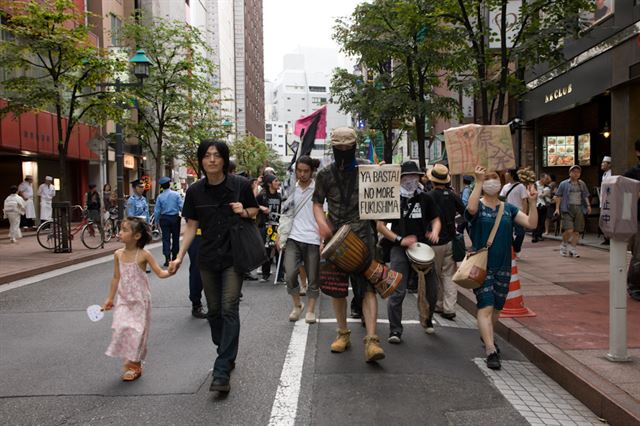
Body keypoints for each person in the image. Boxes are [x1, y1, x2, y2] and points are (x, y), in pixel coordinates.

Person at [170, 140, 259, 393]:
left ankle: (221, 370)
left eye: (216, 156)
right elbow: (190, 226)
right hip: (207, 256)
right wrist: (179, 256)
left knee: (229, 307)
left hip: (234, 255)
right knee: (215, 311)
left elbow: (254, 210)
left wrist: (244, 210)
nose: (211, 160)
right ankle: (225, 350)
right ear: (201, 160)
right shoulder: (195, 191)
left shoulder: (240, 186)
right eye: (207, 156)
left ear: (223, 159)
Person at [313, 127, 385, 363]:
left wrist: (385, 176)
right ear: (333, 148)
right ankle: (342, 333)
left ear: (354, 147)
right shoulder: (324, 175)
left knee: (368, 287)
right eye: (339, 148)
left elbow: (382, 199)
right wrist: (322, 223)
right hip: (334, 238)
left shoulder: (368, 169)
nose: (343, 152)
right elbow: (317, 203)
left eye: (347, 148)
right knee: (336, 288)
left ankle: (372, 340)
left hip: (363, 235)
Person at [466, 166, 538, 370]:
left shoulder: (508, 209)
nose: (492, 182)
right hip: (481, 266)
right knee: (485, 305)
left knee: (497, 307)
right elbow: (470, 210)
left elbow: (531, 223)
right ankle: (490, 349)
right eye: (487, 180)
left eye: (494, 179)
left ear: (500, 185)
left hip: (504, 266)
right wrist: (478, 182)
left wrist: (532, 203)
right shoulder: (477, 206)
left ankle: (487, 336)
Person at [377, 161, 441, 343]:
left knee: (432, 289)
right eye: (407, 177)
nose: (411, 180)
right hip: (400, 248)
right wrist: (399, 239)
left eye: (414, 176)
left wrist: (435, 231)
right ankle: (395, 330)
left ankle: (428, 319)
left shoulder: (425, 198)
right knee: (398, 290)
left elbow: (436, 218)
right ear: (400, 178)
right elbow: (380, 226)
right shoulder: (392, 199)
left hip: (422, 248)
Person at [101, 217, 172, 381]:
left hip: (140, 301)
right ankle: (130, 363)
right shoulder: (118, 254)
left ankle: (134, 366)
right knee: (122, 328)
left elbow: (160, 273)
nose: (120, 233)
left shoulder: (143, 255)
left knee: (137, 333)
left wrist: (172, 271)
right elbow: (115, 277)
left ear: (137, 236)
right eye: (120, 229)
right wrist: (110, 298)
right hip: (124, 300)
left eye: (124, 230)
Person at [276, 155, 321, 323]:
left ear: (312, 171)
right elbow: (285, 213)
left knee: (313, 276)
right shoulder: (289, 187)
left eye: (306, 171)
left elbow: (325, 215)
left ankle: (310, 310)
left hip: (314, 238)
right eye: (299, 171)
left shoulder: (318, 189)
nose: (302, 174)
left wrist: (323, 239)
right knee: (289, 274)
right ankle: (297, 305)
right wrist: (280, 235)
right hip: (293, 236)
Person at [427, 164, 466, 320]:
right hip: (450, 239)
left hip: (434, 241)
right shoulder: (452, 195)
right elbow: (465, 213)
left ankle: (438, 304)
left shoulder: (428, 196)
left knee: (435, 276)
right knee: (449, 275)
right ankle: (449, 308)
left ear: (432, 180)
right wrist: (455, 223)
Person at [554, 165, 591, 258]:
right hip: (567, 208)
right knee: (569, 229)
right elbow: (558, 196)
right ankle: (564, 245)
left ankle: (573, 249)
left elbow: (585, 195)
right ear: (570, 173)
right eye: (574, 171)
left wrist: (588, 206)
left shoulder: (582, 184)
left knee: (577, 231)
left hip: (579, 208)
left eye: (578, 172)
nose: (576, 174)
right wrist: (557, 208)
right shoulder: (564, 184)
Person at [257, 174, 283, 283]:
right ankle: (265, 274)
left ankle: (280, 275)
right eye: (276, 181)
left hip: (277, 226)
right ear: (269, 184)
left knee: (279, 250)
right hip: (266, 226)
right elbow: (252, 204)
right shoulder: (262, 195)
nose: (278, 183)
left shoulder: (279, 196)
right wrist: (261, 207)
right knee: (267, 250)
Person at [623, 139, 640, 301]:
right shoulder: (632, 174)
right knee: (639, 256)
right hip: (638, 219)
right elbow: (626, 201)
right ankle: (634, 286)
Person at [154, 176, 184, 266]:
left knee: (166, 238)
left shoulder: (160, 197)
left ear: (162, 186)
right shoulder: (176, 195)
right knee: (175, 238)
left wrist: (156, 221)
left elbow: (157, 210)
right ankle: (175, 257)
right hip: (175, 218)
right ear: (169, 184)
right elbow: (181, 206)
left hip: (164, 219)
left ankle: (167, 258)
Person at [499, 169, 528, 256]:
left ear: (511, 175)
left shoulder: (521, 186)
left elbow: (524, 201)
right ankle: (513, 249)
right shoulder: (505, 187)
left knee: (520, 233)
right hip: (507, 212)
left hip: (518, 212)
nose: (505, 175)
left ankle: (516, 247)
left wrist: (524, 213)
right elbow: (501, 199)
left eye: (507, 174)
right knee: (508, 232)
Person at [187, 221, 207, 318]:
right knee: (197, 272)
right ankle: (196, 304)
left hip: (218, 236)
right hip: (198, 236)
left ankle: (216, 306)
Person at [533, 173, 552, 242]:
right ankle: (534, 236)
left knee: (542, 221)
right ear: (541, 178)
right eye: (545, 178)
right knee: (536, 221)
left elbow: (549, 195)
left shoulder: (547, 187)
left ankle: (539, 235)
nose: (546, 180)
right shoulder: (535, 185)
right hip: (536, 205)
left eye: (547, 179)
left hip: (544, 205)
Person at [600, 156, 612, 245]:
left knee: (608, 219)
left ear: (609, 164)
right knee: (604, 220)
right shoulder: (604, 174)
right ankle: (606, 238)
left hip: (608, 200)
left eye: (604, 162)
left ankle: (609, 238)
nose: (602, 164)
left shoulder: (611, 173)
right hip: (603, 200)